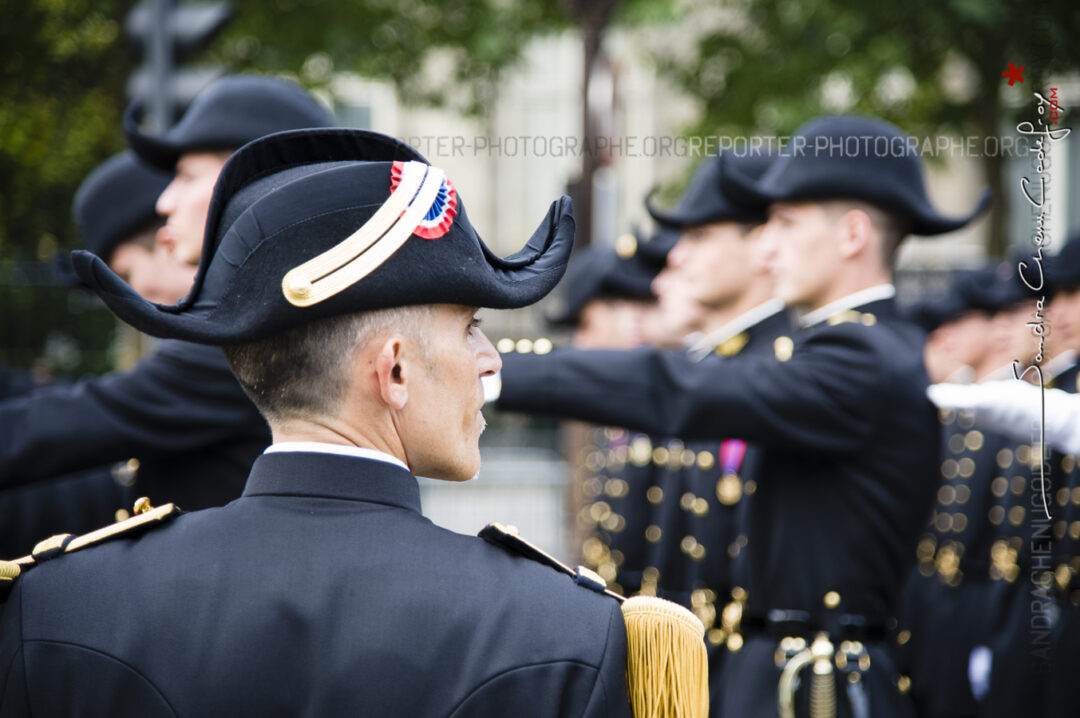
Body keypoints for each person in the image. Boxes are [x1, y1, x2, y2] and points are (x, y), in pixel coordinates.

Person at [0, 127, 707, 717]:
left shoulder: (56, 603)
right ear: (393, 371)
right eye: (471, 328)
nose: (491, 363)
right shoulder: (566, 629)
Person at [492, 115, 988, 717]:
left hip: (816, 691)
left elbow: (677, 388)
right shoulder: (853, 350)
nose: (767, 244)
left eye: (784, 223)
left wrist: (494, 370)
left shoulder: (863, 358)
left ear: (853, 234)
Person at [0, 75, 334, 511]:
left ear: (256, 183)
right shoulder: (267, 319)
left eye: (187, 176)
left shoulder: (260, 333)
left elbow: (91, 418)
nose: (164, 203)